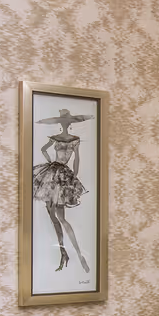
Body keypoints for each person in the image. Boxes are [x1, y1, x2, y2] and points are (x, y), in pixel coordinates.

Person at [32, 108, 93, 272]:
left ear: (69, 123)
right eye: (62, 122)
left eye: (66, 122)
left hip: (61, 176)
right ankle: (64, 251)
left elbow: (77, 159)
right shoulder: (57, 139)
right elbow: (44, 149)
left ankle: (74, 253)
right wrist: (50, 162)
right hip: (54, 173)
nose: (64, 124)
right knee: (54, 216)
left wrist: (73, 177)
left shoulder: (74, 140)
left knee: (59, 217)